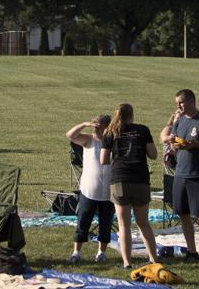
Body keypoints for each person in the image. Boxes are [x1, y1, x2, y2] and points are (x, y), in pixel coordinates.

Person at [160, 88, 199, 263]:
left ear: (192, 101)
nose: (178, 106)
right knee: (183, 214)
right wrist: (175, 145)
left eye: (181, 102)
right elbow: (173, 142)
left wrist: (195, 144)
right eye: (177, 103)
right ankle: (191, 251)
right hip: (180, 174)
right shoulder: (180, 122)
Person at [100, 103, 158, 270]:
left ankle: (127, 262)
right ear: (132, 115)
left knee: (123, 224)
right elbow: (153, 155)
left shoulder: (110, 132)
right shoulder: (142, 130)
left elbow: (103, 160)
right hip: (140, 179)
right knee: (143, 223)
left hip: (119, 180)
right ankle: (154, 259)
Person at [66, 114, 114, 264]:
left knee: (105, 224)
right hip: (89, 190)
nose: (98, 130)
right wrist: (84, 124)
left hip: (109, 192)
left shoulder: (114, 141)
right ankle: (76, 252)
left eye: (101, 127)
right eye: (96, 127)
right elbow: (70, 135)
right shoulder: (89, 139)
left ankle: (101, 252)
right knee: (83, 222)